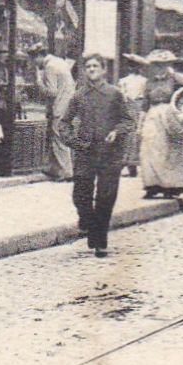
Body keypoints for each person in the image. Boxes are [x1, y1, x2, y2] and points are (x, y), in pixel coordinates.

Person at [59, 54, 135, 258]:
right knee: (81, 195)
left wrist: (116, 132)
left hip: (110, 153)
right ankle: (89, 223)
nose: (91, 69)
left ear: (103, 70)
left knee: (105, 197)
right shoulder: (79, 96)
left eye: (95, 66)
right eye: (88, 66)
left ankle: (100, 240)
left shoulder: (114, 94)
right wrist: (73, 142)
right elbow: (64, 123)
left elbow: (128, 121)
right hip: (85, 152)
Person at [137, 50, 183, 199]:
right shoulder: (149, 82)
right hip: (152, 115)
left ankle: (171, 186)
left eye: (163, 65)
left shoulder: (174, 80)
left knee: (170, 149)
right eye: (156, 65)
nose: (159, 68)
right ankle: (152, 185)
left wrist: (177, 76)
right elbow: (145, 103)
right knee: (148, 148)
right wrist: (140, 124)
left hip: (170, 113)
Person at [28, 42, 75, 181]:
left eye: (34, 60)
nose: (34, 64)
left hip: (60, 107)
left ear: (39, 56)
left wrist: (38, 82)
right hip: (68, 107)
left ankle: (67, 173)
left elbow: (52, 92)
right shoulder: (60, 62)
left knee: (59, 139)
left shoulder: (49, 66)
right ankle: (52, 169)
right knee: (59, 138)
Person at [115, 54, 147, 175]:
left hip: (133, 107)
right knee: (132, 135)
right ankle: (129, 162)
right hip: (133, 107)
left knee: (132, 135)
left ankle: (130, 162)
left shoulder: (126, 81)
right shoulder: (130, 81)